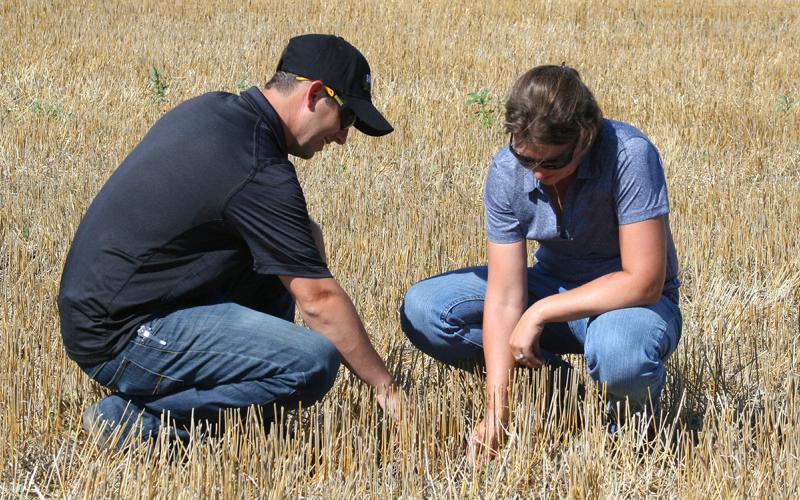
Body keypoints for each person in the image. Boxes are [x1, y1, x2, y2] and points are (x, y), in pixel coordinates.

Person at [58, 34, 400, 447]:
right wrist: (386, 387)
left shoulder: (217, 112)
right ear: (313, 94)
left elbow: (298, 237)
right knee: (311, 363)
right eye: (345, 119)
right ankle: (135, 420)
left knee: (292, 245)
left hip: (110, 306)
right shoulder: (259, 166)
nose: (345, 137)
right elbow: (318, 302)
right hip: (120, 334)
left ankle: (244, 395)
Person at [400, 65, 682, 456]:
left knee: (619, 354)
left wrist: (540, 313)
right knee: (426, 308)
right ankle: (566, 393)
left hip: (632, 304)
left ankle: (632, 434)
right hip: (553, 283)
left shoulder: (629, 155)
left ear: (585, 136)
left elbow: (644, 280)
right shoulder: (507, 170)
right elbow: (502, 299)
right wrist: (498, 412)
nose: (535, 172)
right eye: (524, 157)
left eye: (551, 163)